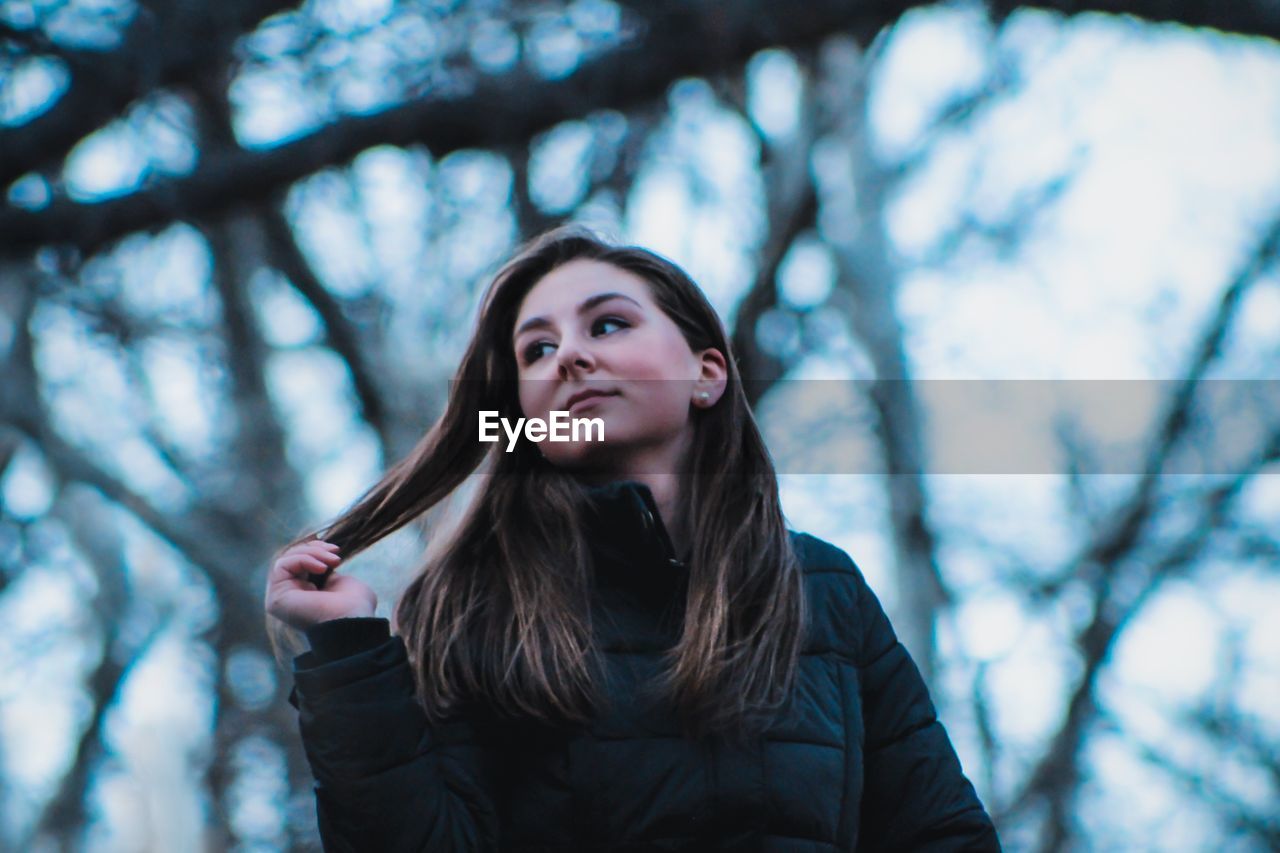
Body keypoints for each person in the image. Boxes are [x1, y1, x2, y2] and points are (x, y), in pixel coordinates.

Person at [264, 227, 1001, 851]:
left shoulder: (823, 589)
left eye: (607, 324)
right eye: (536, 350)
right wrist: (350, 651)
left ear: (706, 373)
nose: (570, 357)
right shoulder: (471, 605)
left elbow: (942, 835)